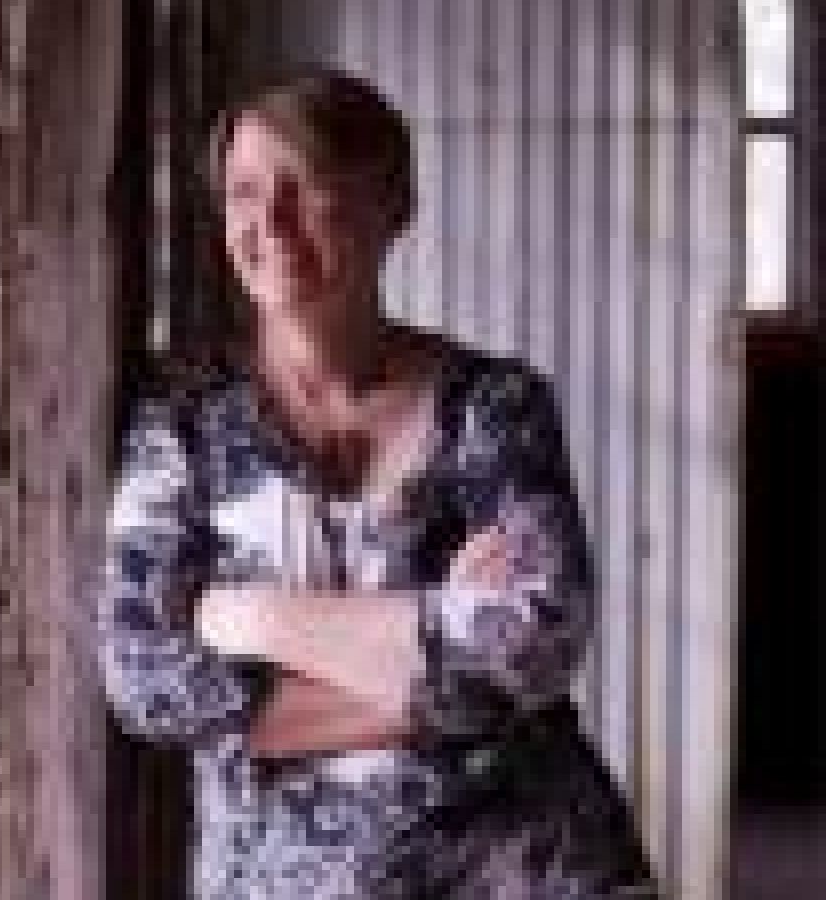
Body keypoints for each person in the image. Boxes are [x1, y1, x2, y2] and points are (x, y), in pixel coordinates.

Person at [93, 68, 661, 898]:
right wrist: (450, 663)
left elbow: (538, 638)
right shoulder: (184, 423)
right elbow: (144, 676)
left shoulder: (495, 406)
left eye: (306, 184)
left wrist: (250, 617)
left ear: (390, 205)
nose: (271, 221)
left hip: (529, 867)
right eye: (245, 192)